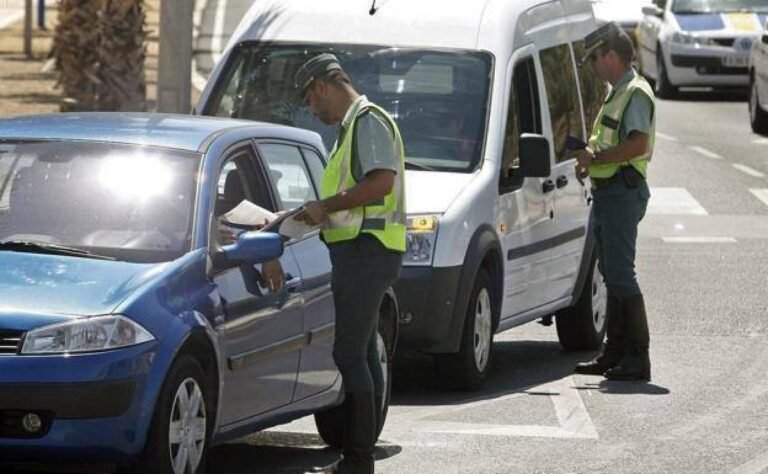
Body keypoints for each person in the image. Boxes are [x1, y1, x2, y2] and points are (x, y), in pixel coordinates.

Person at [292, 53, 406, 473]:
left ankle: (357, 460)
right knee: (363, 354)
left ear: (322, 86)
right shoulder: (354, 126)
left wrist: (326, 206)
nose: (311, 109)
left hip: (366, 251)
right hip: (361, 251)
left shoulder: (367, 120)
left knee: (350, 354)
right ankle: (362, 453)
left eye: (309, 99)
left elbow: (381, 182)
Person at [573, 22, 656, 382]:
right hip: (608, 193)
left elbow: (639, 144)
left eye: (595, 58)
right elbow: (607, 139)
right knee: (610, 273)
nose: (593, 65)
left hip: (623, 192)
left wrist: (598, 159)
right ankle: (616, 351)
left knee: (621, 274)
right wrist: (588, 154)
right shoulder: (616, 91)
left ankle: (637, 356)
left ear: (610, 55)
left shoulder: (635, 92)